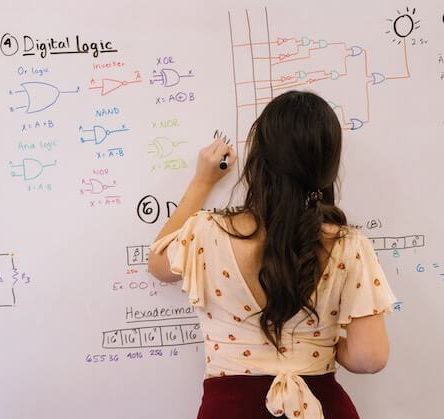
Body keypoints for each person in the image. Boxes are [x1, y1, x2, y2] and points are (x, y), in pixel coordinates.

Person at [148, 90, 397, 419]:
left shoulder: (206, 233)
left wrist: (202, 181)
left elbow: (158, 262)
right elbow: (370, 358)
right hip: (322, 407)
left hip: (230, 409)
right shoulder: (349, 245)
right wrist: (314, 346)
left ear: (258, 158)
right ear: (326, 167)